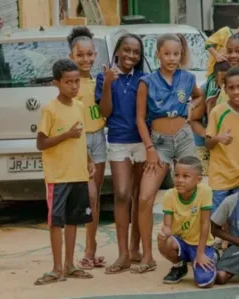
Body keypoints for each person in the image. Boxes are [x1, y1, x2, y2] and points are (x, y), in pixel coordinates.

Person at [135, 33, 203, 273]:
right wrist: (150, 148)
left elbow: (199, 96)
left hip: (184, 138)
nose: (172, 58)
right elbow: (140, 118)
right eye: (167, 54)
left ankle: (194, 247)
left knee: (196, 192)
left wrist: (191, 112)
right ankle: (147, 256)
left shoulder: (187, 77)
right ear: (158, 54)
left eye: (176, 54)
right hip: (159, 143)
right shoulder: (147, 82)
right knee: (145, 197)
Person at [34, 59, 95, 285]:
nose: (74, 86)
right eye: (68, 82)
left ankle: (69, 265)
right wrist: (65, 136)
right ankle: (56, 267)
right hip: (58, 176)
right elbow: (41, 143)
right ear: (56, 83)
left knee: (73, 221)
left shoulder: (79, 106)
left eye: (77, 81)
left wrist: (88, 159)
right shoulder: (50, 109)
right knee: (56, 222)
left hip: (78, 174)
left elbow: (82, 137)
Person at [96, 33, 146, 274]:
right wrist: (107, 83)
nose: (131, 55)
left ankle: (135, 248)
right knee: (122, 193)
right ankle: (123, 253)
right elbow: (105, 112)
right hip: (118, 140)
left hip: (142, 142)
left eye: (136, 52)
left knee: (138, 194)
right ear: (117, 51)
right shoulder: (104, 77)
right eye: (126, 50)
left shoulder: (144, 79)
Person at [67, 26, 107, 270]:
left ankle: (91, 249)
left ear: (95, 54)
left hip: (99, 137)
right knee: (88, 195)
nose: (86, 59)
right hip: (80, 142)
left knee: (96, 198)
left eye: (89, 54)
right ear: (72, 56)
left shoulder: (98, 79)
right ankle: (84, 251)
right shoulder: (70, 83)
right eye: (80, 55)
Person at [157, 156, 217, 287]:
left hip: (202, 244)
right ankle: (179, 266)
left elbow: (205, 223)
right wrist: (164, 233)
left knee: (205, 283)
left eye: (185, 176)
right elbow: (167, 225)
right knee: (163, 241)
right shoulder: (169, 195)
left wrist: (200, 253)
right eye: (176, 175)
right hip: (181, 242)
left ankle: (211, 255)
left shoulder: (205, 191)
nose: (179, 180)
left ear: (198, 180)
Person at [205, 67, 239, 212]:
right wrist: (218, 138)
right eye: (232, 88)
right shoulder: (218, 112)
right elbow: (208, 143)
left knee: (237, 218)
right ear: (225, 90)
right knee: (217, 219)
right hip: (220, 178)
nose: (237, 92)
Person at [191, 61, 231, 176]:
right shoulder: (205, 90)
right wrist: (208, 135)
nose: (225, 84)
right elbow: (193, 120)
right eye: (223, 80)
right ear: (215, 77)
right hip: (204, 138)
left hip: (227, 139)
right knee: (205, 174)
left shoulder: (235, 89)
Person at [205, 9, 239, 77]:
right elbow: (208, 43)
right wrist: (217, 55)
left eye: (238, 51)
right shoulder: (225, 31)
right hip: (214, 75)